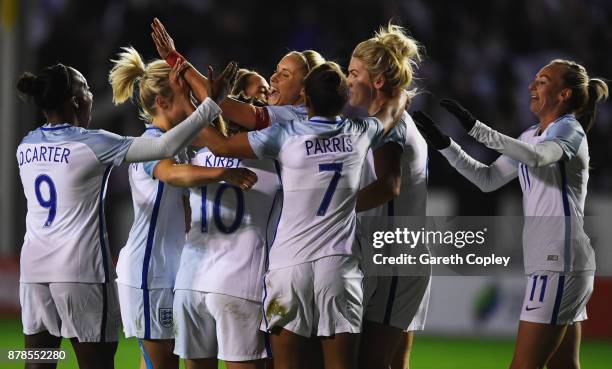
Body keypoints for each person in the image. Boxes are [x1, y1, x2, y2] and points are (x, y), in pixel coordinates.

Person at [16, 60, 235, 369]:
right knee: (97, 364)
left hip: (34, 273)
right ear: (76, 101)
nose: (92, 95)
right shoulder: (94, 144)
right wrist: (211, 105)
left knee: (38, 362)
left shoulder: (25, 145)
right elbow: (164, 145)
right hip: (81, 274)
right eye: (87, 89)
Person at [193, 61, 409, 369]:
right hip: (338, 266)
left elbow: (221, 145)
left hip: (288, 267)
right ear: (345, 99)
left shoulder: (285, 134)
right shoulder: (360, 132)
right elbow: (390, 114)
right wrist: (400, 95)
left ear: (305, 98)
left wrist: (201, 103)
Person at [412, 59, 608, 369]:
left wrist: (477, 129)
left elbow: (538, 157)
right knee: (563, 365)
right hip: (553, 261)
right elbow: (487, 180)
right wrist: (445, 144)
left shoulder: (569, 129)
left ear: (564, 94)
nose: (531, 87)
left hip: (559, 262)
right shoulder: (531, 134)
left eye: (542, 81)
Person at [108, 47, 255, 369]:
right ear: (162, 103)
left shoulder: (179, 145)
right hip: (149, 274)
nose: (192, 104)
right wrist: (222, 174)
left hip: (169, 271)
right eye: (184, 95)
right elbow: (172, 175)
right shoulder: (149, 144)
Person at [347, 24, 431, 369]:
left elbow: (388, 186)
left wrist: (329, 212)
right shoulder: (394, 120)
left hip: (394, 259)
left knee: (370, 362)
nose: (347, 80)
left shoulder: (390, 126)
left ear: (377, 81)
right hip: (401, 258)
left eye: (353, 73)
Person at [150, 18, 325, 130]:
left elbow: (220, 143)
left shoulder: (291, 117)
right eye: (276, 71)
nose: (273, 78)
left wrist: (174, 59)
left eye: (285, 74)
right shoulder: (312, 120)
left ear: (305, 89)